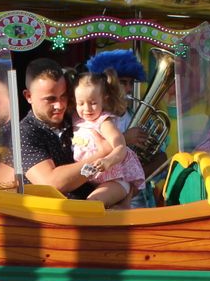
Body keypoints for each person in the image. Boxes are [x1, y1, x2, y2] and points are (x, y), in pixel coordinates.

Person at [71, 69, 144, 208]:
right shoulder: (77, 119)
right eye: (81, 103)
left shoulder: (104, 122)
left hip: (116, 180)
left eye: (93, 103)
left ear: (103, 99)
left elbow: (120, 146)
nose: (87, 109)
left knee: (92, 204)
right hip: (92, 180)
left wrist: (108, 161)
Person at [19, 58, 92, 196]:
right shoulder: (22, 133)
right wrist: (104, 156)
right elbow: (52, 184)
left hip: (98, 211)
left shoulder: (79, 119)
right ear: (29, 96)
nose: (59, 105)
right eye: (50, 99)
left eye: (63, 96)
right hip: (52, 216)